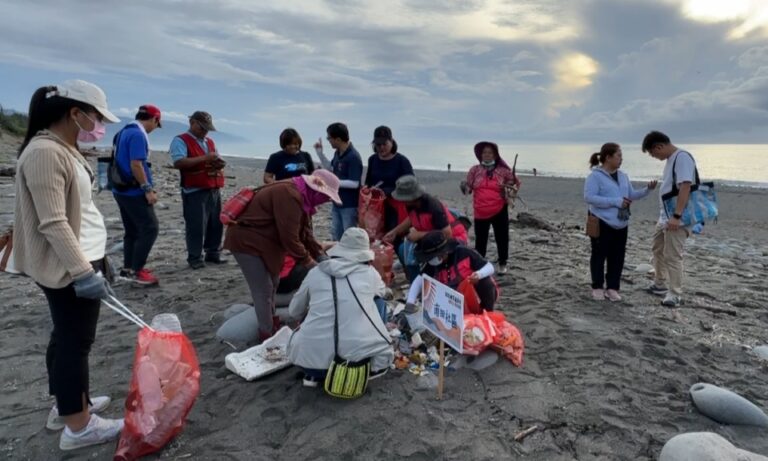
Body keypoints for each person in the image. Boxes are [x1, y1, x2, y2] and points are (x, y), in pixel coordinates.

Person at [13, 80, 124, 450]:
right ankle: (79, 426)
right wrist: (83, 273)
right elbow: (53, 222)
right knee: (76, 342)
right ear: (75, 113)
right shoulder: (45, 152)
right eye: (96, 117)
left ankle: (66, 407)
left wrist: (98, 260)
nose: (98, 125)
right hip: (69, 264)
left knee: (65, 336)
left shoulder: (64, 148)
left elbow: (79, 210)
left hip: (83, 256)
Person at [223, 169, 342, 340]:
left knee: (273, 283)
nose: (327, 200)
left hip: (267, 243)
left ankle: (270, 320)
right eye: (327, 196)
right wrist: (311, 264)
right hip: (248, 241)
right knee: (263, 289)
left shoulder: (302, 196)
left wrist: (322, 258)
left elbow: (306, 234)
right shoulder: (289, 194)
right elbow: (290, 238)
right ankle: (266, 333)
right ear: (316, 190)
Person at [287, 227, 394, 387]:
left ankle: (315, 376)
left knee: (312, 310)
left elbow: (294, 311)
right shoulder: (370, 273)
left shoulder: (315, 273)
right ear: (364, 254)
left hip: (307, 362)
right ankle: (365, 365)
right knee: (379, 302)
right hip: (352, 364)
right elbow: (384, 293)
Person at [584, 143, 656, 302]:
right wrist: (616, 202)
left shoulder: (623, 176)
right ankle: (597, 287)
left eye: (621, 156)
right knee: (599, 254)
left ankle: (612, 288)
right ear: (608, 157)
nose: (621, 159)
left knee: (617, 256)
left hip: (621, 222)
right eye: (619, 156)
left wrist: (647, 190)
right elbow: (589, 198)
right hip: (601, 221)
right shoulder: (595, 176)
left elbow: (631, 195)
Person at [642, 131, 696, 307]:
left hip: (678, 217)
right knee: (657, 248)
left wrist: (677, 216)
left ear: (659, 146)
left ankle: (675, 293)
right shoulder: (671, 159)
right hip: (665, 216)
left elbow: (685, 186)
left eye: (653, 153)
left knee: (673, 255)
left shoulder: (682, 158)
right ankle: (659, 283)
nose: (654, 157)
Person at [112, 105, 162, 285]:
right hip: (133, 190)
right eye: (157, 124)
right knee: (150, 228)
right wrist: (147, 189)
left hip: (120, 189)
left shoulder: (123, 131)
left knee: (132, 230)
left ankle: (128, 268)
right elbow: (136, 164)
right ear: (154, 119)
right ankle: (137, 271)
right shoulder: (138, 135)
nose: (154, 128)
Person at [169, 111, 227, 269]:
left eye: (207, 129)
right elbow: (179, 162)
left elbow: (216, 158)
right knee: (196, 226)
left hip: (213, 187)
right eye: (202, 127)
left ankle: (213, 253)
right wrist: (205, 158)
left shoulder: (210, 142)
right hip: (194, 190)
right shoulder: (180, 140)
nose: (205, 131)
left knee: (215, 224)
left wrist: (219, 163)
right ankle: (195, 257)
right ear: (192, 123)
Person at [384, 175, 468, 282]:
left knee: (417, 259)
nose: (401, 201)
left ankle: (422, 281)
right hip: (430, 239)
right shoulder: (411, 205)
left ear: (412, 197)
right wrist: (395, 231)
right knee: (403, 250)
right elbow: (411, 218)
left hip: (450, 240)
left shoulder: (433, 207)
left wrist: (419, 235)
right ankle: (415, 282)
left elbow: (447, 234)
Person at [461, 141, 520, 274]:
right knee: (480, 239)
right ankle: (479, 264)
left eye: (490, 153)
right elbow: (468, 188)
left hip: (499, 209)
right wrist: (464, 186)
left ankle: (502, 263)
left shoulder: (503, 171)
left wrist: (510, 190)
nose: (487, 155)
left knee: (502, 237)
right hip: (480, 210)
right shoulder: (474, 170)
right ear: (480, 155)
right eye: (484, 152)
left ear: (495, 155)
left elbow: (514, 183)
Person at [405, 231, 498, 311]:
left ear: (442, 254)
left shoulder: (463, 253)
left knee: (485, 281)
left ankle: (487, 312)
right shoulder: (432, 265)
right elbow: (418, 281)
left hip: (473, 295)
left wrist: (478, 274)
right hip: (453, 302)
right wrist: (410, 302)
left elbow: (489, 267)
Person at [313, 122, 363, 241]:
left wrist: (332, 182)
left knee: (349, 238)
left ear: (338, 139)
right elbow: (331, 168)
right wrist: (320, 153)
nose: (329, 141)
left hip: (349, 206)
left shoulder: (353, 156)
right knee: (336, 237)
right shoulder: (338, 153)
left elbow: (355, 183)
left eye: (329, 138)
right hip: (337, 203)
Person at [363, 125, 414, 233]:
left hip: (396, 206)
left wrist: (387, 191)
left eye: (384, 144)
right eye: (378, 144)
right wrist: (367, 189)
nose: (381, 147)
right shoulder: (372, 160)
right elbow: (368, 181)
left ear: (391, 142)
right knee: (375, 234)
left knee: (393, 235)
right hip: (376, 205)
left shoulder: (402, 161)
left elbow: (411, 185)